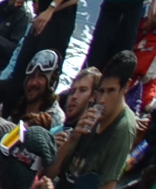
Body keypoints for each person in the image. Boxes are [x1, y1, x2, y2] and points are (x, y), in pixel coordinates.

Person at [53, 60, 137, 189]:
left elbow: (109, 185)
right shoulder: (92, 115)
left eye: (111, 91)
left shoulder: (123, 129)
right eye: (101, 91)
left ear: (125, 87)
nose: (102, 100)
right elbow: (50, 173)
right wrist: (73, 138)